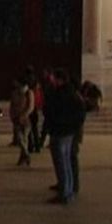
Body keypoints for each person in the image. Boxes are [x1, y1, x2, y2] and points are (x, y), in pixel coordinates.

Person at [45, 69, 86, 204]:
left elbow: (51, 111)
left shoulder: (61, 94)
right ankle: (68, 190)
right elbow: (80, 113)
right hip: (68, 132)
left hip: (60, 132)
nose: (52, 81)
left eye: (54, 79)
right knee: (66, 162)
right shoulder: (73, 93)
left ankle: (65, 193)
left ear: (59, 80)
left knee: (62, 163)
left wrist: (59, 123)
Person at [9, 78, 35, 166]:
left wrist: (24, 115)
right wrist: (12, 115)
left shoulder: (29, 93)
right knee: (20, 139)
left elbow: (31, 106)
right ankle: (26, 155)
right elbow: (12, 105)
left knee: (24, 139)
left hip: (25, 119)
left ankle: (24, 157)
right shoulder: (14, 93)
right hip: (16, 118)